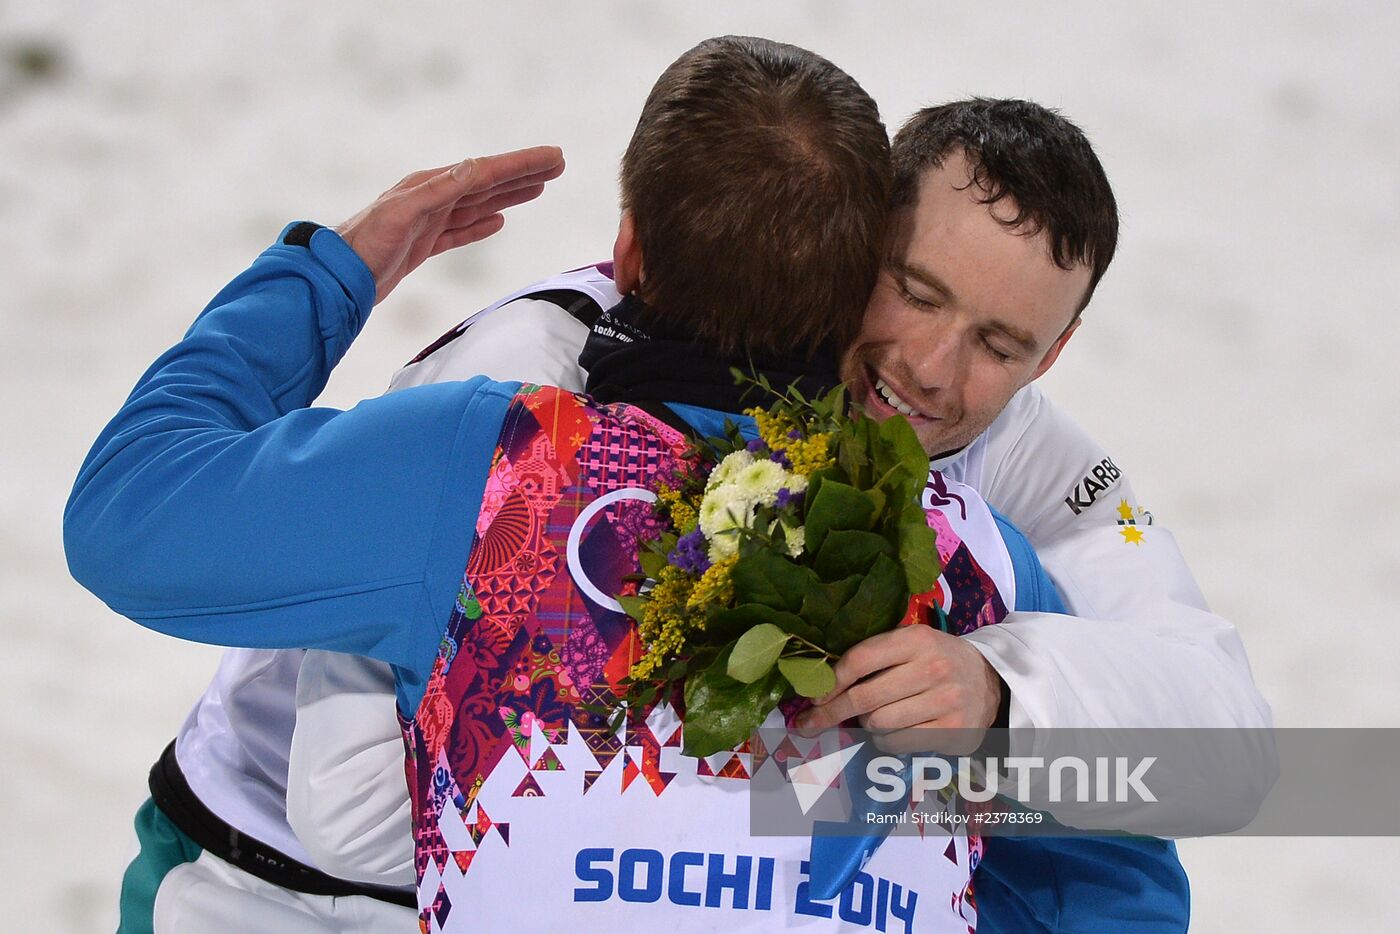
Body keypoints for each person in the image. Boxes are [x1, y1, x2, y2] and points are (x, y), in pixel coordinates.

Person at [68, 36, 1077, 932]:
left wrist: (336, 273)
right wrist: (999, 721)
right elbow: (1151, 814)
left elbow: (125, 516)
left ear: (627, 247)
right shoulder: (963, 548)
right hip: (285, 868)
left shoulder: (483, 459)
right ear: (862, 282)